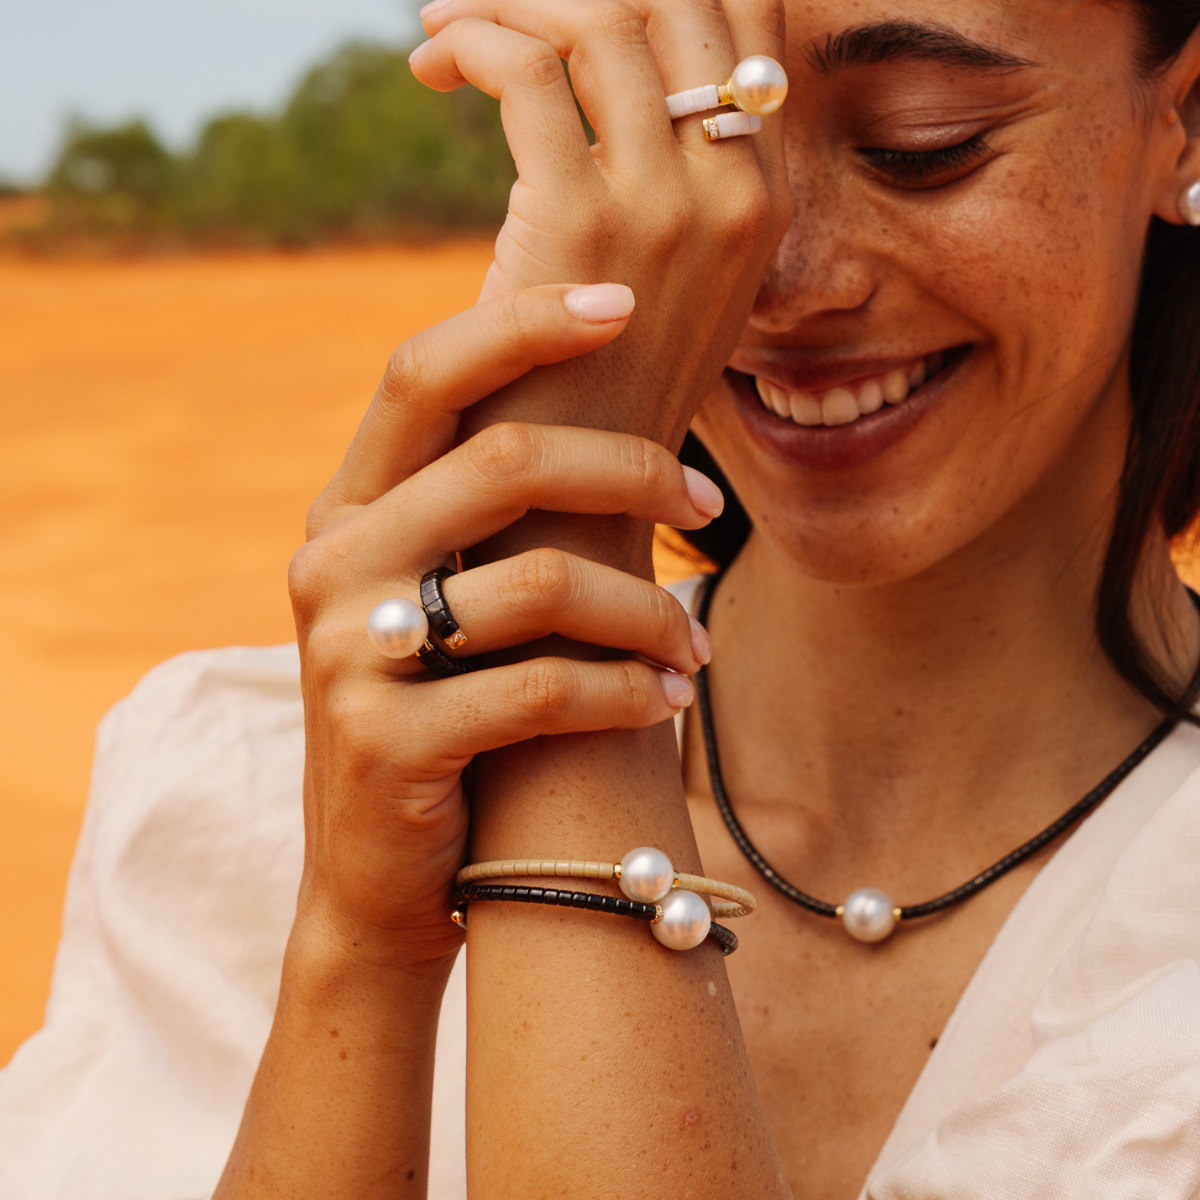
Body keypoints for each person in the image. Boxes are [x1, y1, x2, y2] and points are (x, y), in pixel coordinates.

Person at [6, 0, 1200, 1196]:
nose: (775, 271)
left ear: (1186, 115)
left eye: (917, 145)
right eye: (693, 142)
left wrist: (571, 551)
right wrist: (356, 947)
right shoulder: (250, 804)